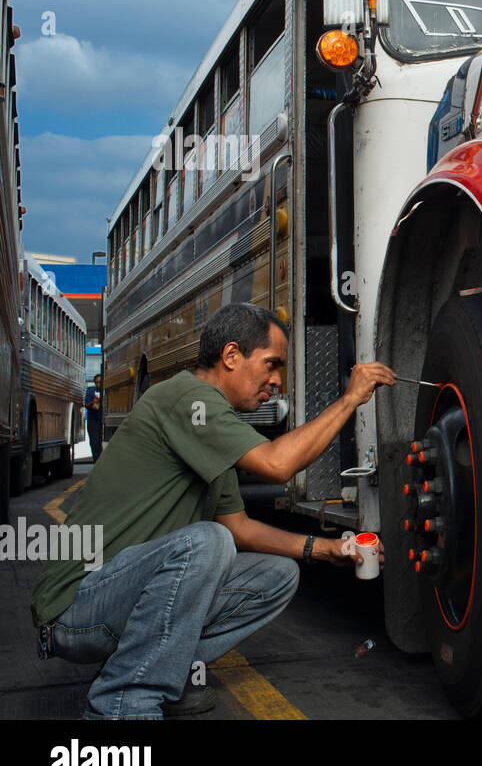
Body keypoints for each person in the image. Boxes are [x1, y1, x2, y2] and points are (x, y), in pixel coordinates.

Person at [30, 302, 396, 719]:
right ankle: (124, 701)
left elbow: (240, 527)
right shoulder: (188, 400)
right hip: (76, 609)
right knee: (206, 542)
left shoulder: (210, 422)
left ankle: (150, 667)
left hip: (118, 600)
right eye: (271, 365)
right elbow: (278, 464)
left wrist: (326, 549)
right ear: (231, 356)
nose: (277, 382)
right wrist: (349, 400)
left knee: (276, 576)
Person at [84, 373, 103, 461]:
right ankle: (96, 459)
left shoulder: (106, 391)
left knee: (100, 442)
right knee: (94, 442)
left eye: (100, 382)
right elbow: (86, 405)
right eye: (97, 382)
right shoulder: (90, 391)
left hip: (102, 420)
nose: (98, 384)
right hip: (93, 420)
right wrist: (93, 401)